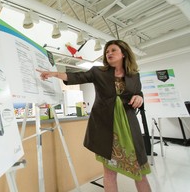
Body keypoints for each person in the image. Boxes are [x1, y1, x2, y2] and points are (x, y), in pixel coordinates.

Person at [37, 40, 152, 192]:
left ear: (123, 54)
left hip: (129, 129)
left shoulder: (134, 76)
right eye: (107, 51)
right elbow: (78, 77)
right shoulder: (98, 72)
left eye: (113, 50)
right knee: (110, 173)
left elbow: (138, 93)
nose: (108, 53)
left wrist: (140, 97)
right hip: (106, 129)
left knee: (141, 173)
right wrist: (56, 74)